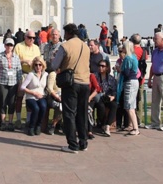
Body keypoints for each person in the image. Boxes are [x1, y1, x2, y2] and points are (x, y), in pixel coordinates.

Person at [49, 23, 91, 154]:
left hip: (71, 83)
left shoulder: (65, 46)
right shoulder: (86, 46)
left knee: (69, 113)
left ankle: (73, 145)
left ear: (67, 33)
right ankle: (83, 143)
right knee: (82, 113)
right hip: (85, 83)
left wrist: (55, 57)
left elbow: (55, 65)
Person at [0, 38, 22, 131]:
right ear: (4, 45)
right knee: (3, 102)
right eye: (7, 45)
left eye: (11, 45)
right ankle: (3, 122)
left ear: (13, 46)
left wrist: (20, 85)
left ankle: (11, 122)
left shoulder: (16, 57)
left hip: (13, 83)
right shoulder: (0, 56)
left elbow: (19, 73)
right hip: (2, 82)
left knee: (12, 103)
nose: (9, 47)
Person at [14, 29, 41, 129]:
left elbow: (39, 61)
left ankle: (29, 120)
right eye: (30, 38)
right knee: (19, 97)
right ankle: (18, 119)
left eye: (34, 38)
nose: (32, 40)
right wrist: (24, 61)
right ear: (25, 37)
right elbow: (14, 60)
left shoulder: (36, 48)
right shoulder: (19, 46)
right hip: (22, 73)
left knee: (30, 98)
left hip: (32, 75)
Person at [20, 56, 48, 136]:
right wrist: (33, 93)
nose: (38, 67)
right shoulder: (31, 74)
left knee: (43, 106)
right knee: (36, 108)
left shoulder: (45, 74)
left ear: (43, 65)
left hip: (41, 96)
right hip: (31, 97)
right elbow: (22, 87)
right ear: (33, 66)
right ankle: (31, 127)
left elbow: (47, 87)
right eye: (36, 65)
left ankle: (38, 125)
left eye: (40, 65)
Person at [117, 41, 140, 136]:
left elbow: (126, 72)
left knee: (129, 106)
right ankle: (133, 126)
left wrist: (120, 70)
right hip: (134, 81)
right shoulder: (134, 57)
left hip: (129, 81)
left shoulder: (127, 58)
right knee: (132, 105)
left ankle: (135, 128)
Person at [94, 59, 117, 137]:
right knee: (101, 106)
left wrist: (112, 96)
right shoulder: (95, 76)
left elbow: (114, 89)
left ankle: (107, 125)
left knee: (114, 105)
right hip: (98, 97)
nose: (100, 68)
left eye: (103, 66)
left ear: (107, 68)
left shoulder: (111, 78)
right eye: (99, 66)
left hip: (108, 97)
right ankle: (103, 124)